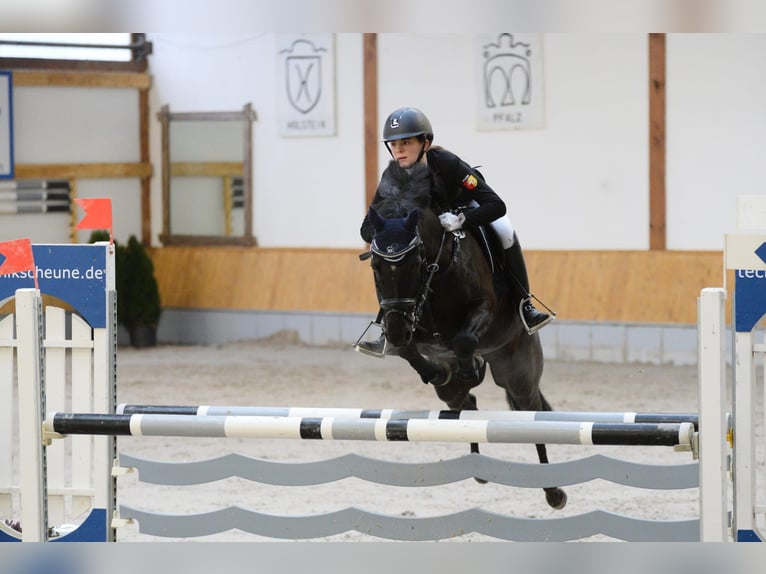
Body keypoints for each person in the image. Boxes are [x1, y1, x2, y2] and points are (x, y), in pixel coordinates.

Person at [356, 106, 553, 356]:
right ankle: (385, 327)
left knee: (505, 229)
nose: (399, 151)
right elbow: (366, 228)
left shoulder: (448, 164)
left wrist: (463, 219)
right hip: (427, 235)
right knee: (391, 262)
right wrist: (390, 234)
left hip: (465, 210)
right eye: (394, 145)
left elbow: (497, 205)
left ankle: (525, 305)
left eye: (406, 142)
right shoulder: (392, 177)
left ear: (425, 143)